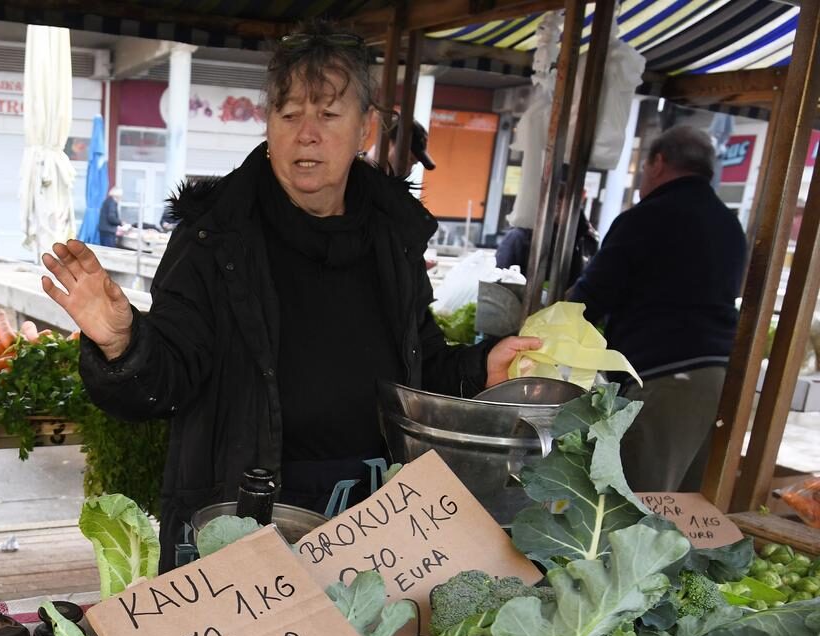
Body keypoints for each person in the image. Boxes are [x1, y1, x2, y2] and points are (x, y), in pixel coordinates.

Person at [41, 25, 540, 569]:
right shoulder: (216, 236)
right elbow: (171, 377)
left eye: (328, 115)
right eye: (289, 114)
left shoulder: (391, 237)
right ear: (268, 125)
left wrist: (477, 371)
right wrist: (123, 343)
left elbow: (419, 371)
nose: (307, 134)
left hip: (378, 516)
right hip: (245, 512)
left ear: (365, 130)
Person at [568, 125, 747, 493]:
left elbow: (591, 297)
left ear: (658, 163)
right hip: (721, 378)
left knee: (637, 504)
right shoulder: (729, 223)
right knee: (688, 507)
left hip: (666, 381)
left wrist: (550, 326)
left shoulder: (647, 218)